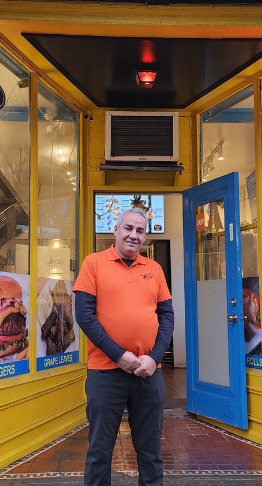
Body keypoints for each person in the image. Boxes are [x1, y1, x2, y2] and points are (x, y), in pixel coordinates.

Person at [74, 207, 175, 486]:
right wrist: (118, 355)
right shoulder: (93, 263)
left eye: (140, 231)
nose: (133, 235)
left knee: (151, 451)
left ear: (145, 237)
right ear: (115, 230)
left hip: (148, 372)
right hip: (105, 372)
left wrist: (155, 358)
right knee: (99, 451)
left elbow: (167, 316)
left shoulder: (154, 269)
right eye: (128, 228)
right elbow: (84, 315)